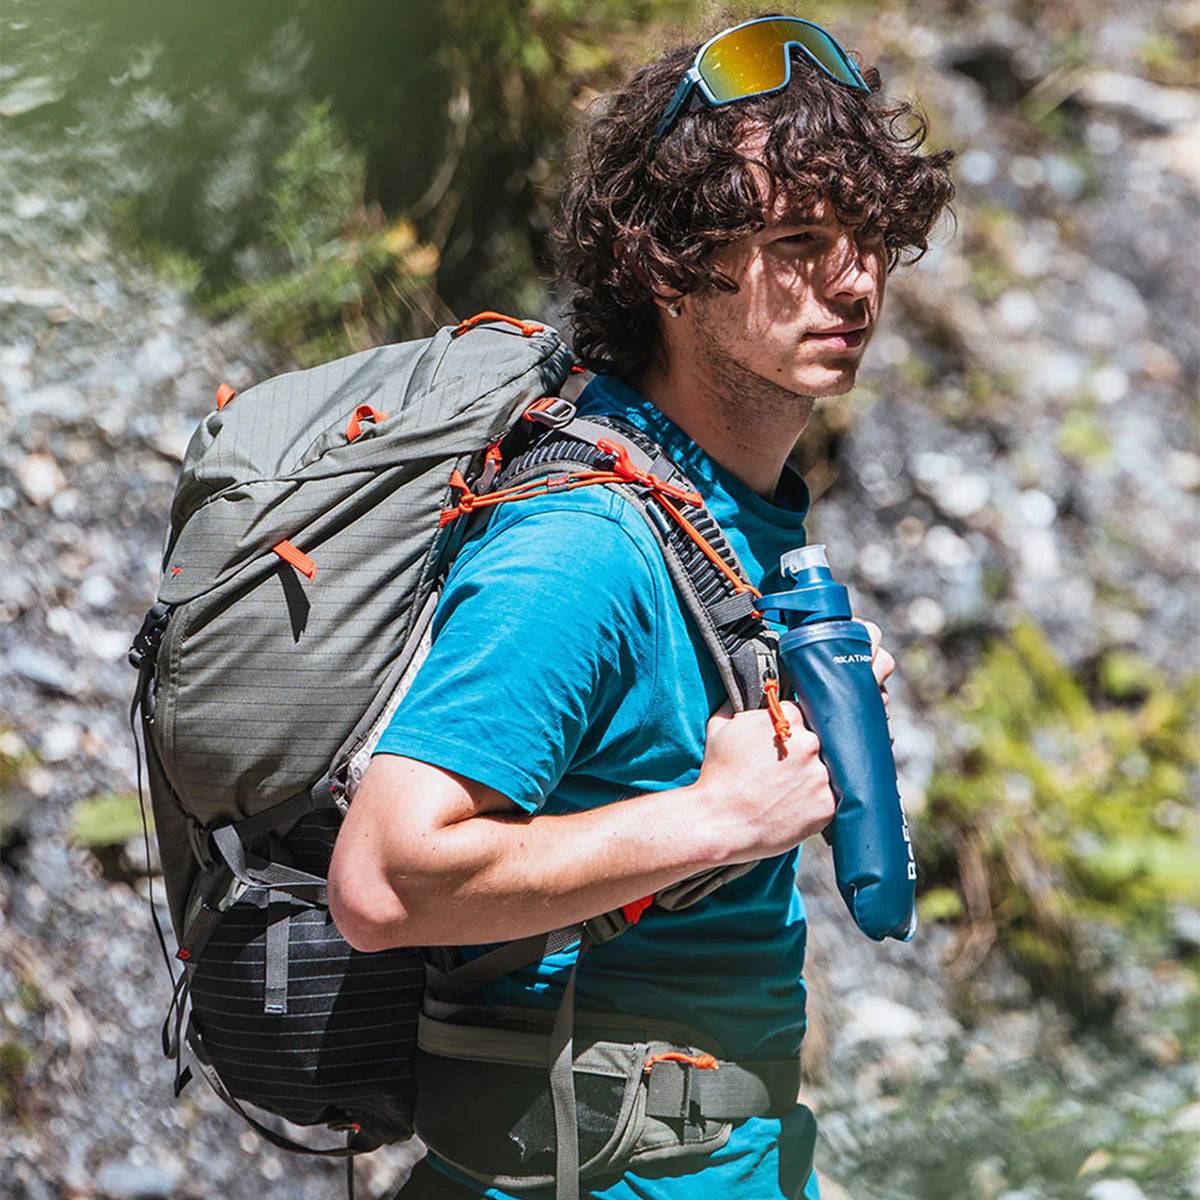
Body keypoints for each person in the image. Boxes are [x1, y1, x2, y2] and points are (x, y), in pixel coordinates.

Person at [328, 13, 954, 1199]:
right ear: (668, 265)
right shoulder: (588, 544)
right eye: (798, 238)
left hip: (718, 1152)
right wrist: (720, 817)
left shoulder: (727, 514)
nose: (854, 278)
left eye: (869, 236)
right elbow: (384, 880)